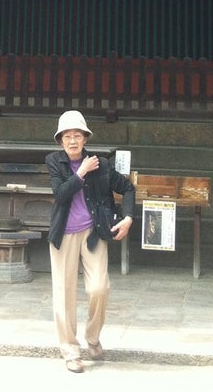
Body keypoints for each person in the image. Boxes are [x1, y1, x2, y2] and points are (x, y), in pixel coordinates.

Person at [46, 110, 135, 374]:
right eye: (67, 136)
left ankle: (93, 337)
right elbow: (60, 194)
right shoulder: (54, 161)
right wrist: (80, 172)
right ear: (60, 141)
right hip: (63, 235)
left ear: (85, 139)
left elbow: (127, 187)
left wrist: (128, 216)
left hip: (93, 233)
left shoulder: (102, 164)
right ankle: (70, 351)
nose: (72, 141)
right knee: (64, 295)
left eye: (77, 135)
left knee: (99, 288)